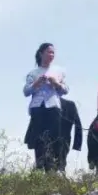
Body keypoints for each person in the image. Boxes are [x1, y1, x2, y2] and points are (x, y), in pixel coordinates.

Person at [23, 43, 70, 172]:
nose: (51, 55)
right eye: (49, 52)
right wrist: (36, 84)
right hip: (37, 107)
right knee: (39, 138)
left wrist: (56, 84)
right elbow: (26, 92)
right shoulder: (33, 73)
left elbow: (66, 90)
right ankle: (39, 166)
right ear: (41, 53)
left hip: (53, 106)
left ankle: (52, 170)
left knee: (54, 137)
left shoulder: (59, 71)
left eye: (53, 53)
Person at [59, 98, 85, 171]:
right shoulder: (42, 104)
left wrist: (77, 144)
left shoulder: (69, 105)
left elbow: (78, 124)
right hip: (45, 140)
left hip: (63, 140)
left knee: (60, 165)